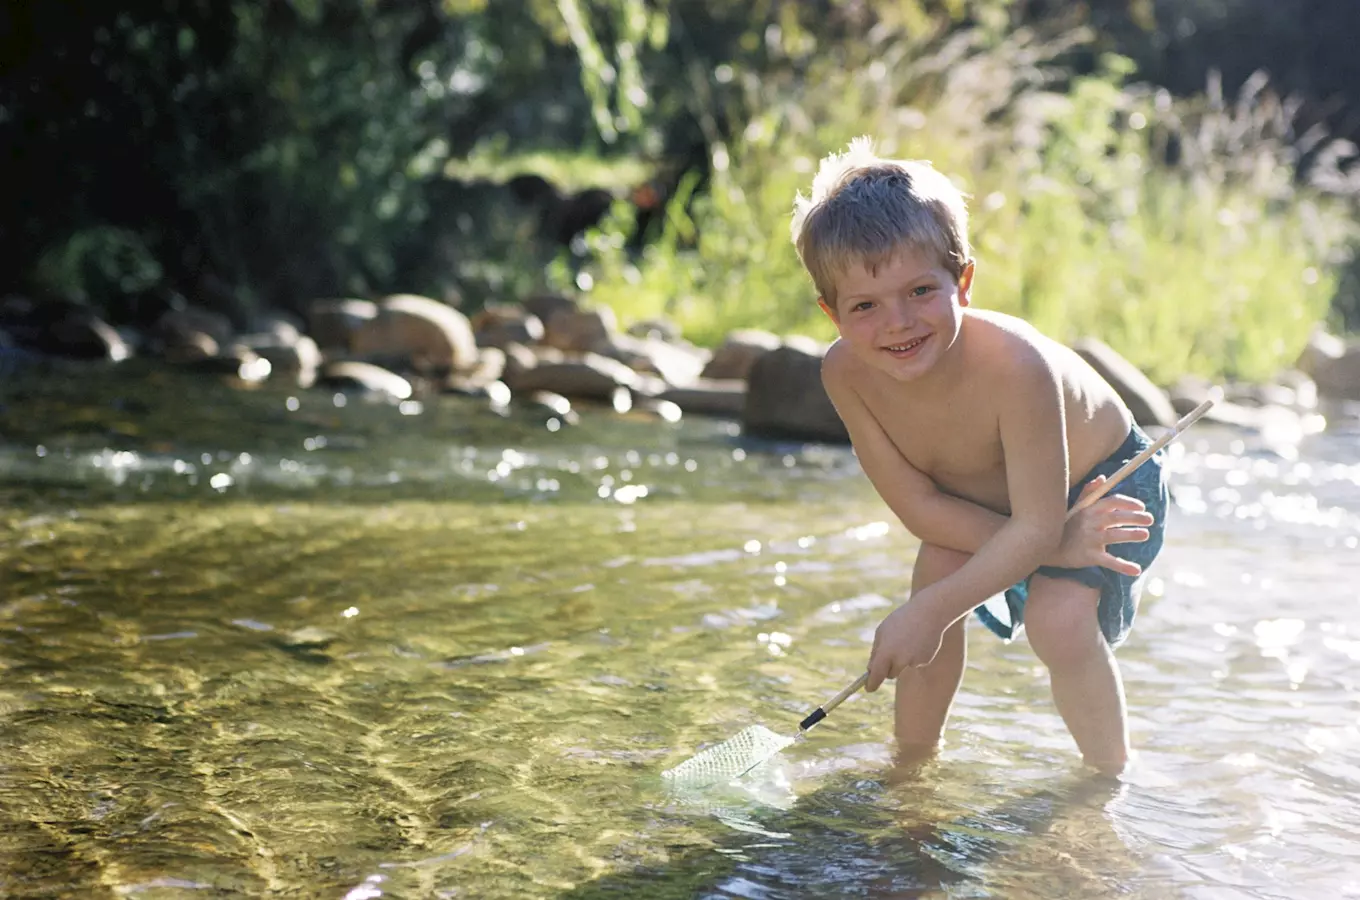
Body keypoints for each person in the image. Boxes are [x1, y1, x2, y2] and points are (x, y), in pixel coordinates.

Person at [790, 137, 1168, 775]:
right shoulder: (845, 375)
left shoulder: (1015, 368)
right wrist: (930, 608)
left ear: (962, 281)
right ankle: (910, 766)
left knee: (1057, 619)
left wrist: (1042, 546)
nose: (897, 323)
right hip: (993, 503)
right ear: (832, 313)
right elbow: (918, 506)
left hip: (1100, 482)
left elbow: (1041, 522)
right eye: (864, 306)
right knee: (934, 576)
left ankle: (1106, 781)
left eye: (919, 291)